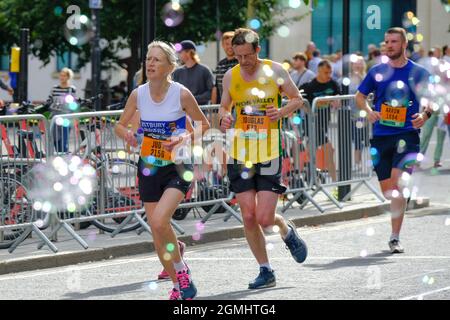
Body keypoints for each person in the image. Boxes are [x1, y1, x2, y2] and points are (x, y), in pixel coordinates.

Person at [115, 41, 210, 300]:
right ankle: (180, 287)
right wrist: (130, 135)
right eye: (148, 58)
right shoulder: (138, 94)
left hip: (177, 166)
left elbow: (203, 125)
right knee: (157, 231)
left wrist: (185, 139)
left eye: (157, 59)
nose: (150, 63)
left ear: (170, 66)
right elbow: (119, 126)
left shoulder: (181, 93)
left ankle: (180, 270)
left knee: (159, 221)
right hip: (149, 167)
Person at [219, 28, 308, 290]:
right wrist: (224, 116)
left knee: (265, 218)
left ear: (258, 50)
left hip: (268, 152)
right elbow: (225, 105)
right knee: (248, 216)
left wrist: (280, 111)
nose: (243, 61)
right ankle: (265, 269)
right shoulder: (230, 76)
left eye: (247, 55)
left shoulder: (276, 71)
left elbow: (297, 99)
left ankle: (286, 229)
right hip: (240, 153)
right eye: (238, 56)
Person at [356, 27, 432, 254]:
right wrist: (368, 111)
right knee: (389, 191)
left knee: (398, 186)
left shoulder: (418, 72)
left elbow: (431, 100)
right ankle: (399, 209)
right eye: (387, 41)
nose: (389, 45)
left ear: (404, 45)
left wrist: (425, 115)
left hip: (407, 134)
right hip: (381, 136)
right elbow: (359, 96)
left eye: (394, 42)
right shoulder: (377, 71)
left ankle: (394, 237)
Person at [300, 60, 340, 184]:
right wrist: (308, 110)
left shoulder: (333, 84)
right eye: (326, 73)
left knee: (312, 153)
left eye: (330, 72)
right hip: (311, 124)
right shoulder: (309, 86)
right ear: (318, 71)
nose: (328, 75)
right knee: (329, 149)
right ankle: (334, 183)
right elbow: (300, 100)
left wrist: (337, 100)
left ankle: (311, 177)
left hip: (324, 123)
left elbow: (339, 95)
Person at [173, 40, 214, 106]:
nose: (178, 55)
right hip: (182, 111)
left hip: (201, 110)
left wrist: (191, 99)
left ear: (189, 52)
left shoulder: (204, 70)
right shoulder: (177, 72)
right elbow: (174, 92)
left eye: (180, 52)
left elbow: (211, 91)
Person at [49, 68, 77, 153]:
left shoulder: (71, 89)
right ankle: (58, 155)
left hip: (66, 118)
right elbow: (50, 101)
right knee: (55, 139)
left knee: (64, 140)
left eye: (64, 75)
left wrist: (75, 118)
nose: (62, 77)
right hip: (55, 117)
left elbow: (73, 104)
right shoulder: (54, 89)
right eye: (61, 75)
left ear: (68, 77)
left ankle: (64, 156)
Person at [211, 31, 238, 104]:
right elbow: (216, 87)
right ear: (223, 45)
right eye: (226, 44)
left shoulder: (240, 62)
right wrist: (214, 108)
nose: (229, 47)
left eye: (232, 44)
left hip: (239, 105)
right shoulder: (220, 64)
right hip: (224, 106)